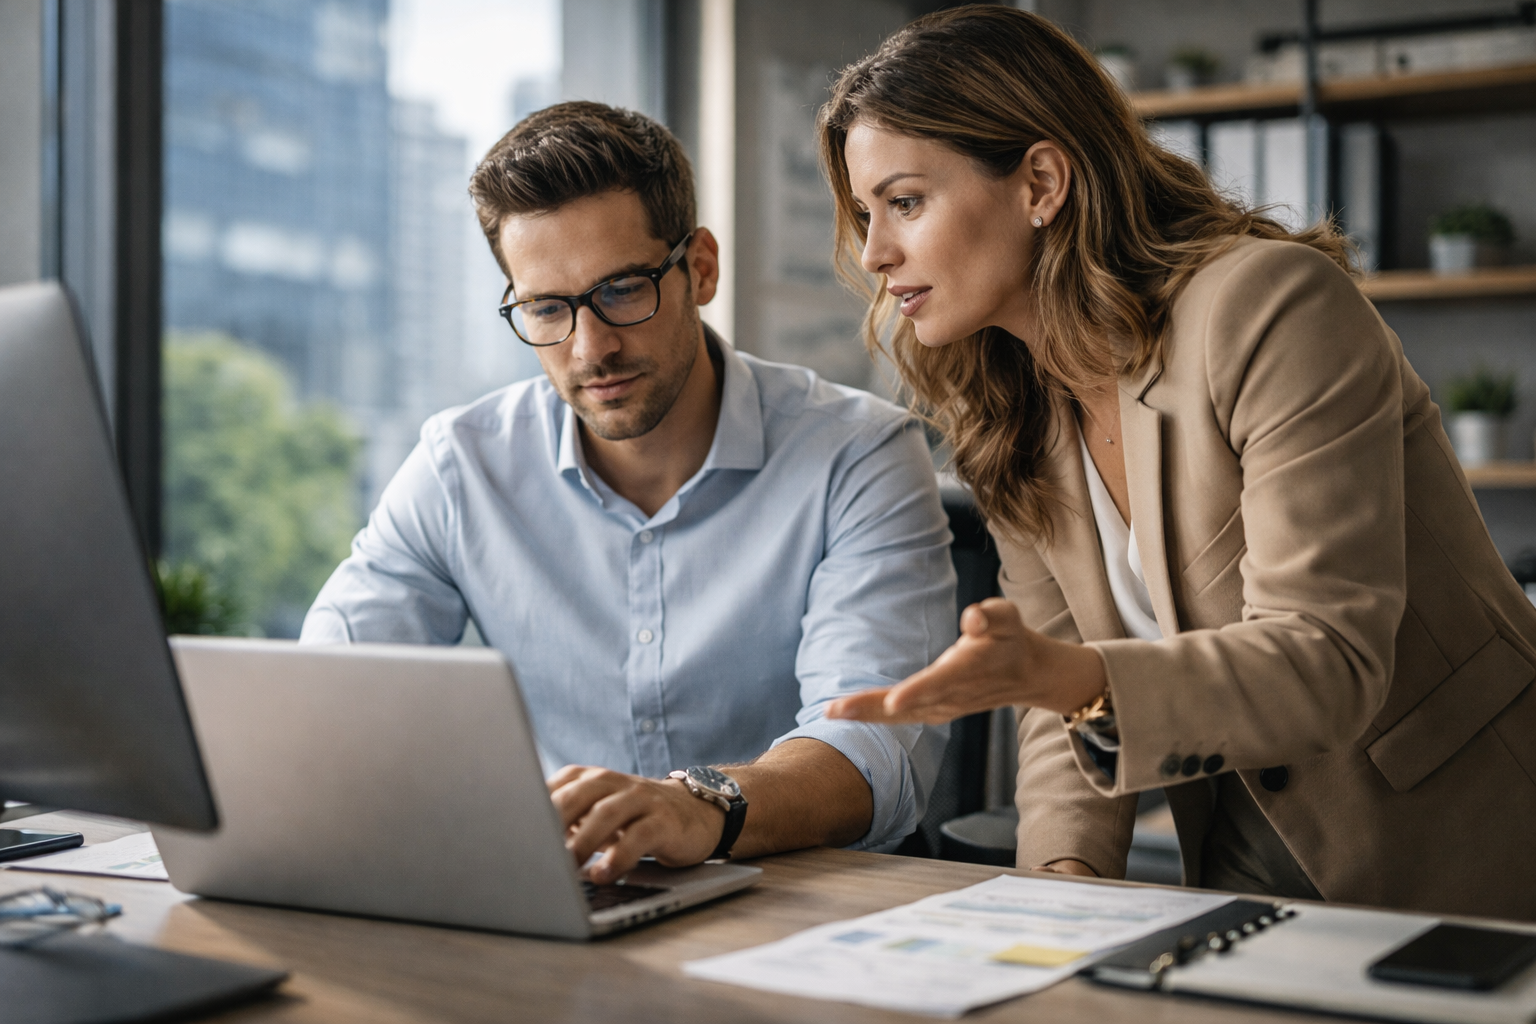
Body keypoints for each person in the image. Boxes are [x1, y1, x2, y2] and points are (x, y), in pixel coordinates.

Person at [821, 5, 1536, 919]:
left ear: (1040, 181)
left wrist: (1069, 680)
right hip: (1240, 856)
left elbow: (1327, 656)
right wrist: (1062, 888)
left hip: (1464, 843)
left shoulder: (1267, 307)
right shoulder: (1007, 412)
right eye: (865, 212)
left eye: (906, 202)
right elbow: (1058, 700)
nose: (876, 253)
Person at [301, 102, 956, 883]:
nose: (591, 347)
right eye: (546, 307)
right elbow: (330, 697)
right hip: (565, 891)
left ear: (700, 269)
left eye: (621, 290)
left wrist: (699, 808)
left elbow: (873, 757)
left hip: (806, 902)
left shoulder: (858, 454)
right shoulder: (461, 464)